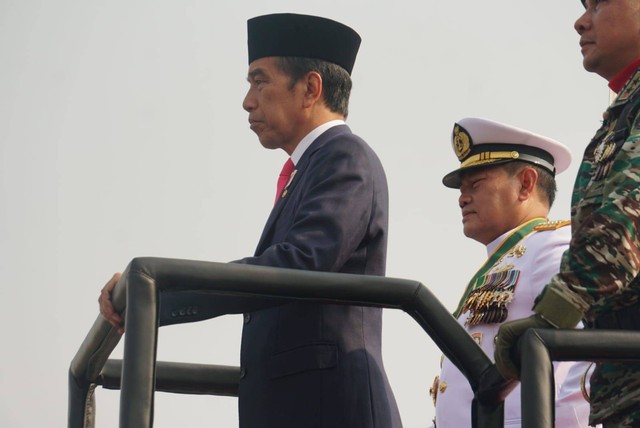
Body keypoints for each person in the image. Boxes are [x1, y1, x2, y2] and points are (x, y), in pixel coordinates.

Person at [99, 13, 402, 428]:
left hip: (330, 409)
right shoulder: (310, 168)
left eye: (260, 82)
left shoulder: (345, 158)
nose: (248, 100)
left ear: (311, 88)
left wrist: (156, 293)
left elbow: (300, 264)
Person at [494, 1, 640, 426]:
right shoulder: (625, 107)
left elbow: (624, 218)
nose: (581, 21)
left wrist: (553, 316)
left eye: (600, 4)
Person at [431, 117, 591, 427]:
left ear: (526, 184)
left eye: (476, 185)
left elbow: (590, 349)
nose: (462, 198)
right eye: (462, 190)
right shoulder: (504, 259)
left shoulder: (549, 246)